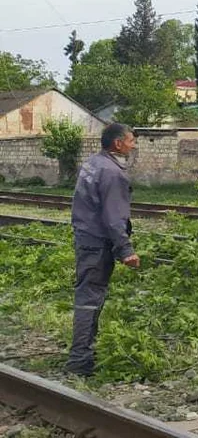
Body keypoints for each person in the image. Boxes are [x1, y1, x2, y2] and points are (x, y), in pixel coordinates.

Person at [64, 123, 140, 377]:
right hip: (97, 243)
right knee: (89, 299)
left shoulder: (93, 163)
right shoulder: (112, 172)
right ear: (118, 143)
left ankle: (83, 355)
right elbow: (113, 217)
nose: (133, 144)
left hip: (86, 237)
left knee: (89, 295)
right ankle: (79, 361)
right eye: (131, 140)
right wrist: (126, 249)